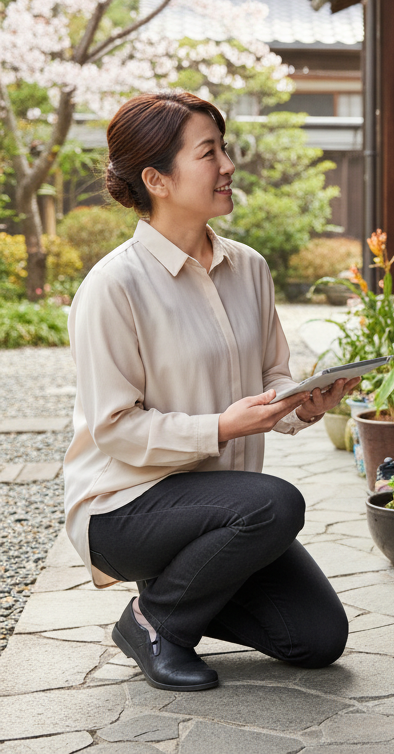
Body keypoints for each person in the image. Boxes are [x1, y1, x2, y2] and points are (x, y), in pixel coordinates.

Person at [63, 91, 358, 692]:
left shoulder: (249, 267)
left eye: (224, 149)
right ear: (157, 179)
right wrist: (220, 427)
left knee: (317, 638)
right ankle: (155, 619)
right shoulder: (113, 286)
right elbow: (115, 428)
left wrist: (304, 403)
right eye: (209, 153)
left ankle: (181, 585)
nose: (227, 166)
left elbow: (275, 380)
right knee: (276, 502)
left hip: (220, 513)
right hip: (124, 507)